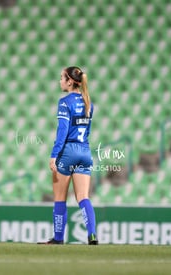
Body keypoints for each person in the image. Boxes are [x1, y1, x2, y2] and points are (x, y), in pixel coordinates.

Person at [38, 66, 98, 245]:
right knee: (83, 197)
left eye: (61, 78)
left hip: (68, 152)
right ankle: (92, 235)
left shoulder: (65, 102)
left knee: (60, 198)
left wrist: (54, 155)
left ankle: (58, 238)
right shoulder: (89, 103)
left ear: (70, 81)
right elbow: (86, 132)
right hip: (85, 152)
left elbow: (62, 131)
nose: (59, 81)